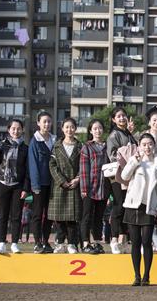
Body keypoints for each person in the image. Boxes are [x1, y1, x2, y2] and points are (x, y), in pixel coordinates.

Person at [119, 133, 157, 286]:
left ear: (154, 145)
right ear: (139, 146)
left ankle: (146, 276)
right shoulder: (135, 160)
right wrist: (134, 161)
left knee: (147, 241)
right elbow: (124, 176)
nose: (147, 147)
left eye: (150, 144)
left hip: (150, 206)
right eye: (144, 144)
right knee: (135, 242)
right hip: (133, 205)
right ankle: (137, 276)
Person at [0, 119, 29, 254]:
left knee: (16, 216)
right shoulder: (2, 145)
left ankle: (15, 243)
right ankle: (1, 242)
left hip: (18, 185)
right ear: (9, 130)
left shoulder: (25, 148)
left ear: (22, 130)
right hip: (2, 183)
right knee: (2, 215)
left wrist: (26, 188)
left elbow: (27, 170)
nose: (16, 131)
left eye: (18, 129)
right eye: (13, 128)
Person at [48, 117, 82, 254]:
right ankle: (60, 243)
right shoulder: (56, 146)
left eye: (72, 127)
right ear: (62, 129)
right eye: (67, 127)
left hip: (75, 185)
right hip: (59, 186)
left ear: (75, 129)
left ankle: (72, 244)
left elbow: (84, 165)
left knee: (73, 218)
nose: (69, 129)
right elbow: (52, 165)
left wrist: (77, 179)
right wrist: (61, 181)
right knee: (60, 218)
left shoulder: (80, 146)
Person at [106, 106, 137, 254]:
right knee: (118, 206)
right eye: (118, 116)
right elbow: (113, 155)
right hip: (118, 176)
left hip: (128, 175)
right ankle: (113, 239)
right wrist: (127, 162)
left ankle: (122, 239)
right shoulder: (114, 135)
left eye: (123, 115)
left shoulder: (127, 133)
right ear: (113, 120)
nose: (122, 118)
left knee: (126, 206)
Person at [29, 111, 56, 254]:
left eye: (49, 121)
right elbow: (33, 164)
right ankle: (37, 243)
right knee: (37, 214)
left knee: (50, 215)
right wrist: (35, 185)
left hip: (53, 185)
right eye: (44, 121)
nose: (47, 124)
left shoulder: (54, 140)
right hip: (39, 185)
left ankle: (46, 241)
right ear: (38, 123)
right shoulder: (34, 141)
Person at [79, 119, 108, 254]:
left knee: (99, 217)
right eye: (95, 128)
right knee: (87, 216)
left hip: (103, 187)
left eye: (100, 128)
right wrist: (84, 189)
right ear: (90, 131)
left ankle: (96, 242)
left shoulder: (107, 146)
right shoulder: (87, 147)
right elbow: (83, 169)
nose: (98, 131)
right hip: (90, 188)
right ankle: (85, 243)